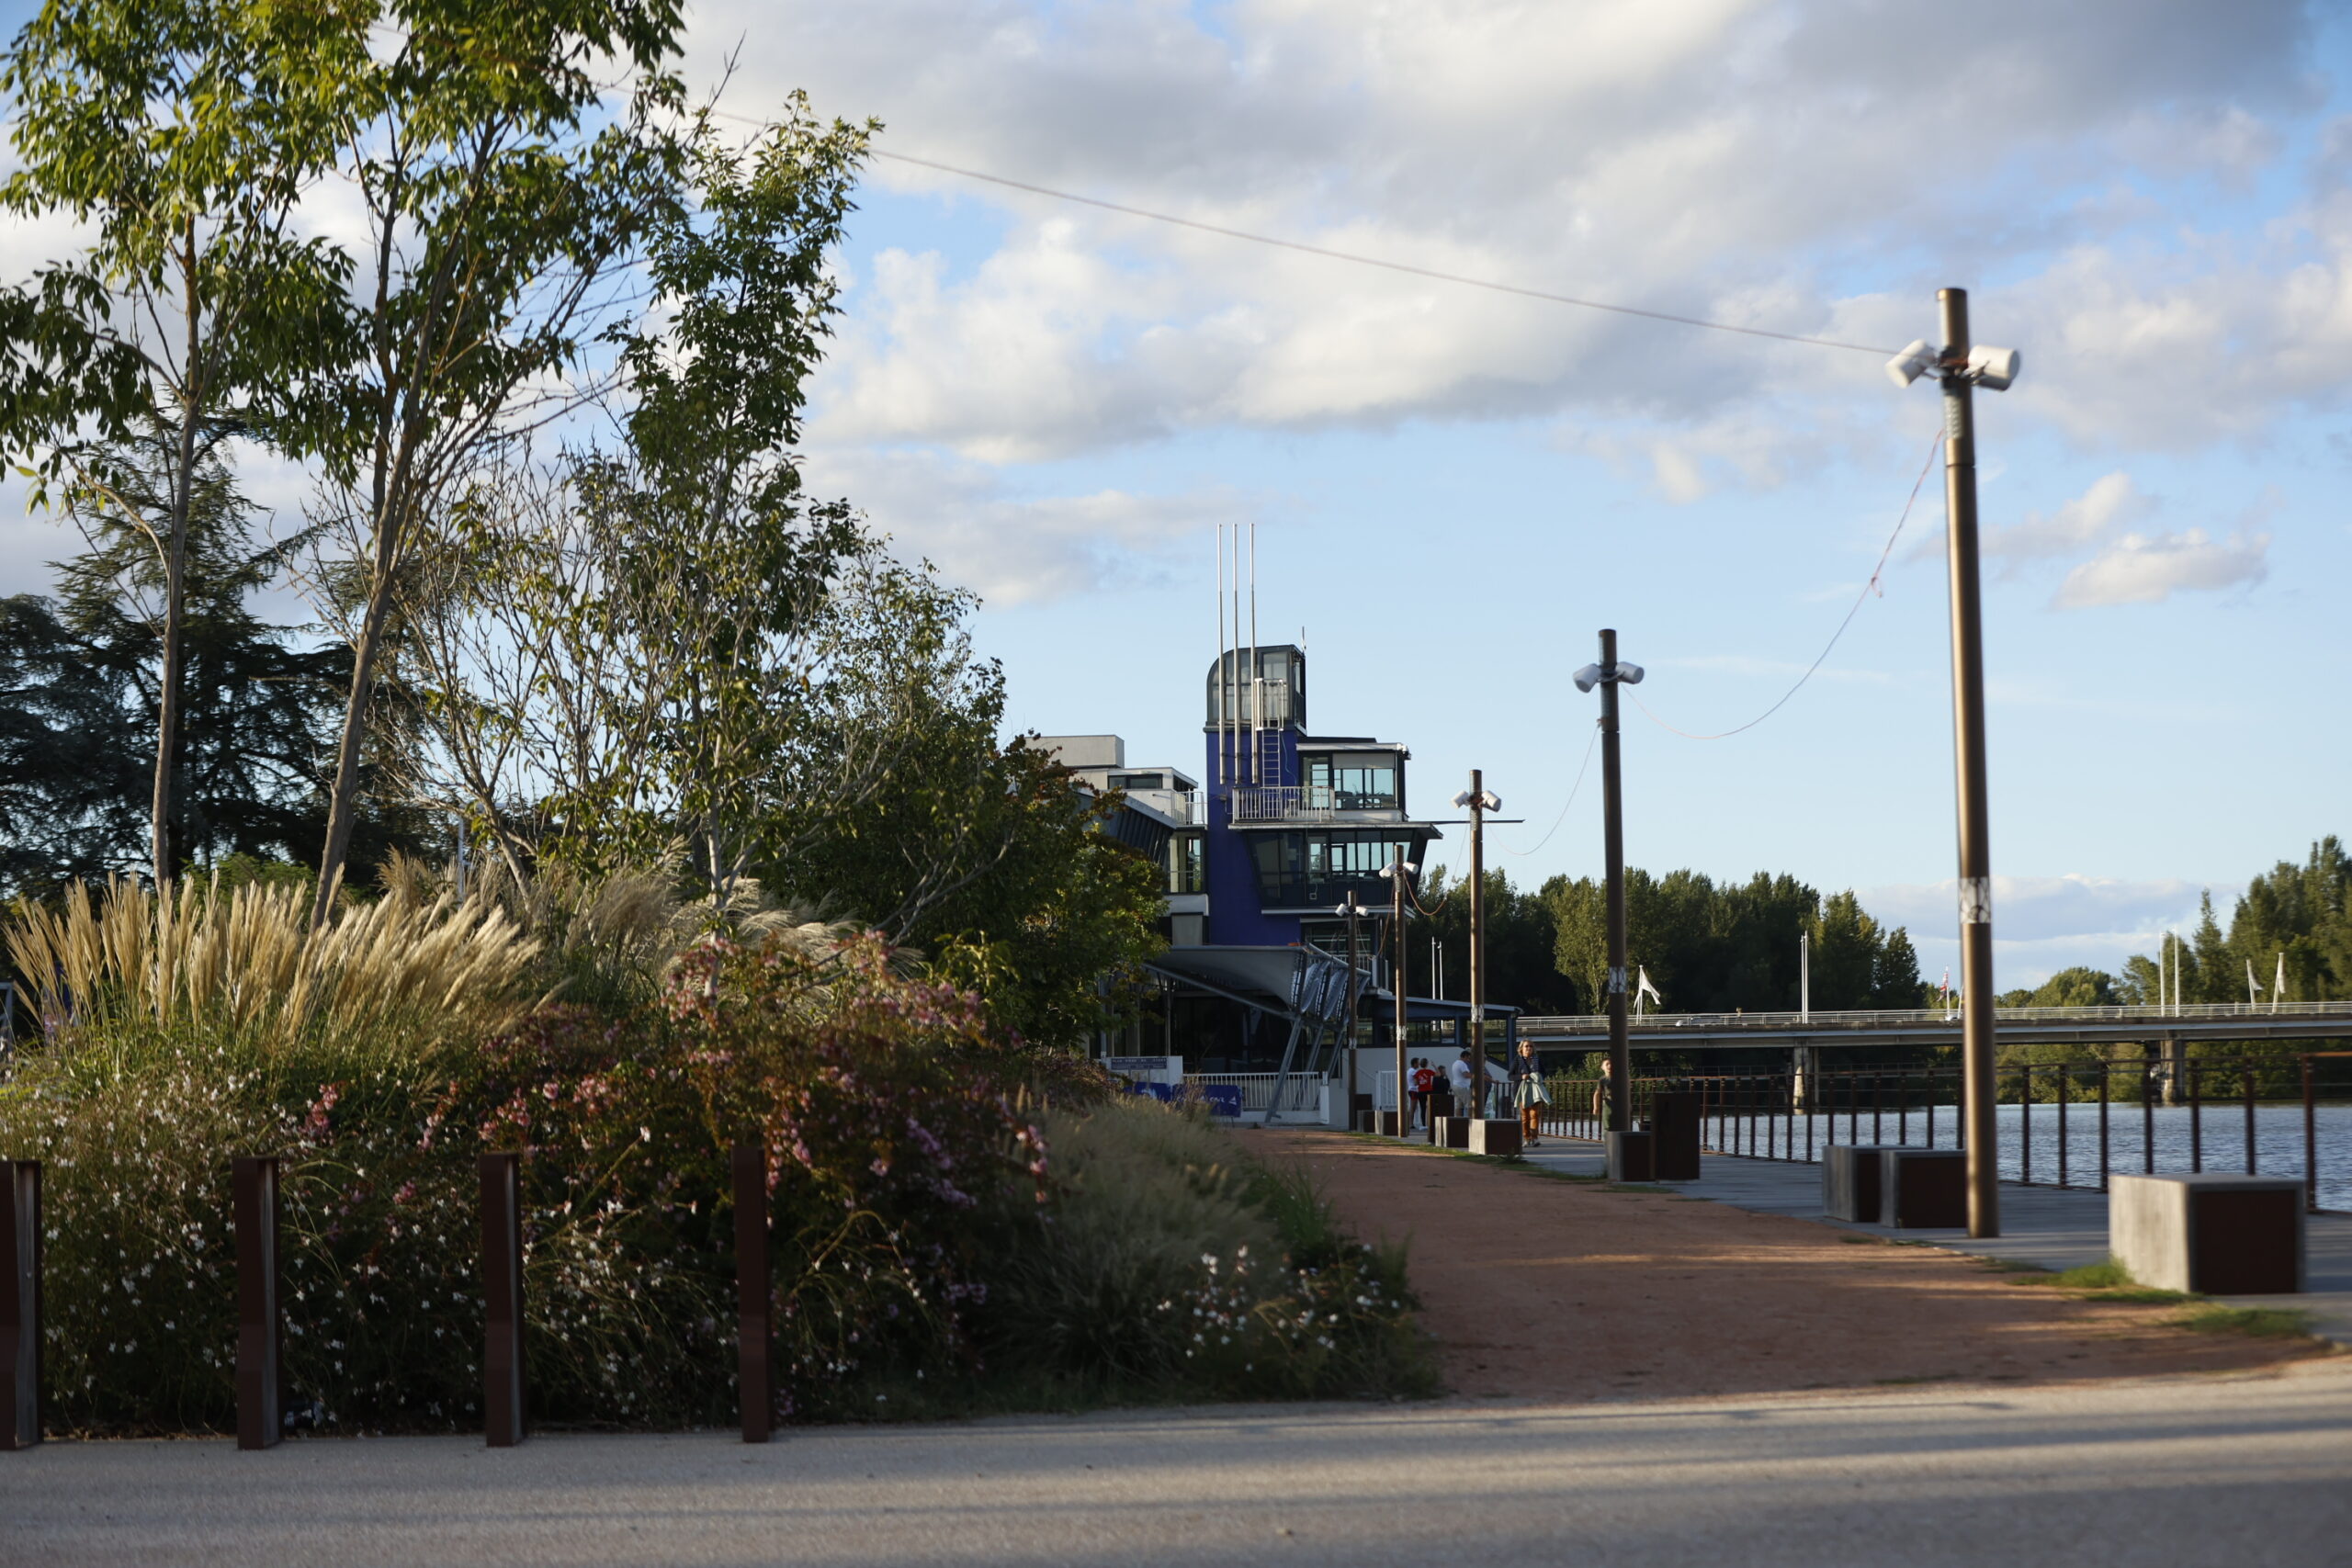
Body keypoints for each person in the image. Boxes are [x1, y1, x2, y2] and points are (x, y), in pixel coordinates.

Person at [1512, 1041, 1547, 1145]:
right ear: (1521, 1048)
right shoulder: (1517, 1060)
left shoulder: (1536, 1059)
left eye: (1531, 1046)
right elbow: (1510, 1075)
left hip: (1535, 1090)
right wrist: (1521, 1077)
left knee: (1535, 1114)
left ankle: (1535, 1137)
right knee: (1525, 1116)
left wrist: (1538, 1077)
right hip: (1521, 1090)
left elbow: (1544, 1072)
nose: (1529, 1048)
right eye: (1526, 1046)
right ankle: (1527, 1138)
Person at [1447, 1048, 1475, 1120]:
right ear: (1465, 1056)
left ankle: (1459, 1122)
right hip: (1463, 1087)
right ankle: (1470, 1122)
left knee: (1458, 1105)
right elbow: (1466, 1075)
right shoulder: (1462, 1064)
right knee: (1469, 1105)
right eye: (1468, 1058)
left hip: (1456, 1086)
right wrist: (1475, 1076)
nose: (1468, 1060)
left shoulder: (1455, 1063)